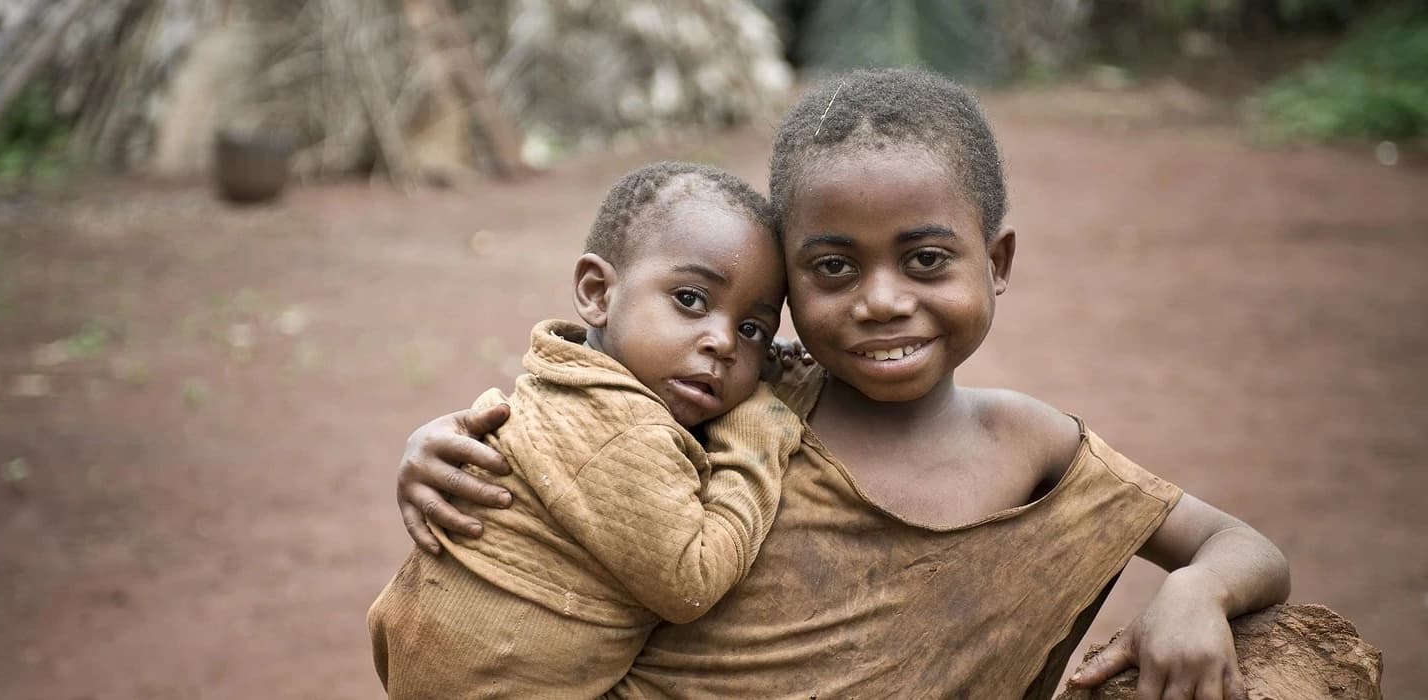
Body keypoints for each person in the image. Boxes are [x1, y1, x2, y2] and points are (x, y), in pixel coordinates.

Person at [391, 69, 1291, 699]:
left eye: (928, 259)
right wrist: (437, 445)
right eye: (832, 268)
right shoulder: (743, 402)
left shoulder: (1032, 446)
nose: (882, 302)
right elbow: (564, 439)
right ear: (786, 286)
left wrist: (1196, 592)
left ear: (998, 259)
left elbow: (1242, 545)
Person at [368, 161, 804, 698]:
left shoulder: (564, 384)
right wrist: (761, 427)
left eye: (752, 328)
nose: (724, 343)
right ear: (598, 293)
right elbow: (691, 582)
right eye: (690, 300)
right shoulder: (623, 430)